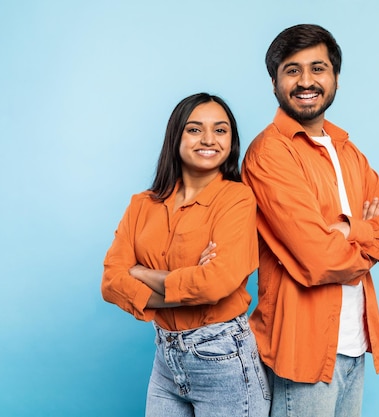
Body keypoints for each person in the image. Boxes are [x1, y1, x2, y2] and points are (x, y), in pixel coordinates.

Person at [241, 24, 379, 417]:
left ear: (335, 77)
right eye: (292, 70)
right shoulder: (269, 154)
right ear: (274, 82)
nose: (306, 81)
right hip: (303, 351)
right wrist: (369, 240)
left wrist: (352, 229)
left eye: (318, 68)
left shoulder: (347, 151)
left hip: (355, 345)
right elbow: (319, 258)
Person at [101, 92, 271, 417]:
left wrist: (140, 272)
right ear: (176, 136)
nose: (209, 139)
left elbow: (215, 283)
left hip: (223, 356)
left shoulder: (237, 199)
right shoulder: (143, 204)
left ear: (231, 141)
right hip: (165, 358)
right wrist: (187, 289)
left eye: (220, 130)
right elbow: (110, 282)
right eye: (195, 129)